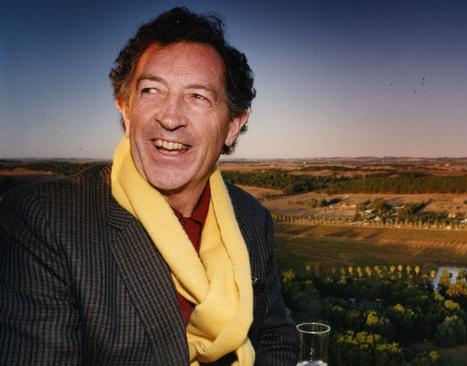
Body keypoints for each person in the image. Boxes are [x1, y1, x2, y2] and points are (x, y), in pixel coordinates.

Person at [0, 7, 298, 366]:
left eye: (198, 97)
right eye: (152, 90)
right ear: (126, 109)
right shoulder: (44, 221)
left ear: (233, 124)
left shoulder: (252, 219)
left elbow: (276, 339)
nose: (170, 118)